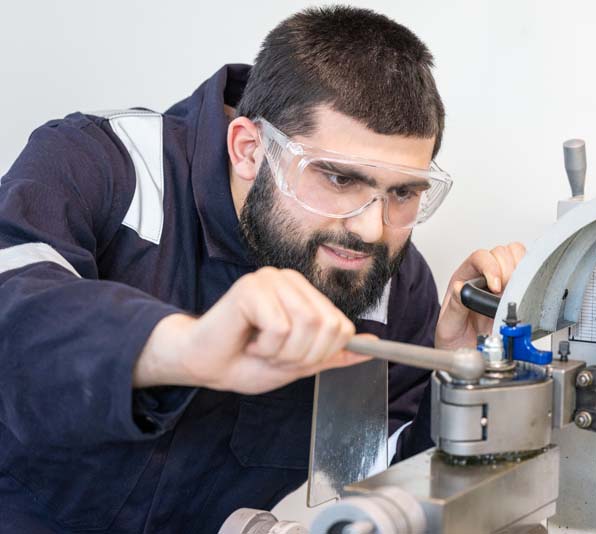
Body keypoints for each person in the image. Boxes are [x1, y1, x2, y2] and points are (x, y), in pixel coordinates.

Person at [0, 6, 525, 533]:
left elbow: (379, 481)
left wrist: (459, 371)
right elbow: (15, 313)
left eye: (403, 192)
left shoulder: (387, 282)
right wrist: (185, 348)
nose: (370, 229)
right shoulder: (104, 166)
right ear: (249, 150)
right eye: (340, 180)